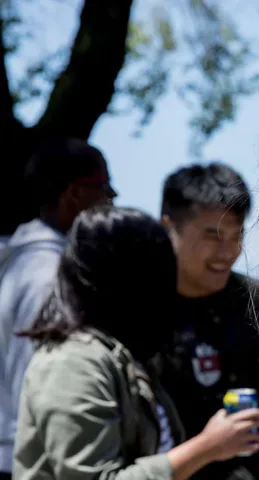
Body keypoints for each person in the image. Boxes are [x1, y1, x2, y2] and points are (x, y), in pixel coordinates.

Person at [13, 206, 259, 480]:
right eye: (159, 270)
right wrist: (206, 447)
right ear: (129, 278)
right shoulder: (72, 364)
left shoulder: (121, 354)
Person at [158, 163, 259, 480]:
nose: (227, 252)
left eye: (236, 235)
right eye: (213, 235)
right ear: (168, 227)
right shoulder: (141, 312)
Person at [0, 138, 117, 479]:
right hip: (24, 462)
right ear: (77, 194)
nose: (110, 203)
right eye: (106, 191)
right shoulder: (50, 275)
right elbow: (33, 382)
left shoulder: (16, 260)